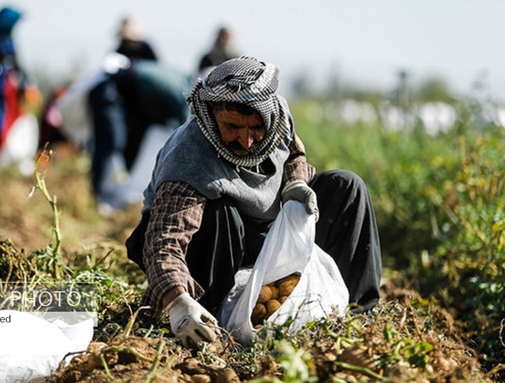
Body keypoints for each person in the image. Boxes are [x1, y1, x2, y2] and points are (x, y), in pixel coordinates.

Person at [126, 56, 382, 346]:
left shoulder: (276, 115)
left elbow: (294, 154)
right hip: (209, 237)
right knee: (222, 211)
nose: (246, 140)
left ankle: (357, 316)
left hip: (262, 227)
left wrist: (295, 184)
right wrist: (177, 302)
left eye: (255, 129)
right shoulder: (188, 160)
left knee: (347, 186)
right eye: (233, 127)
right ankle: (210, 320)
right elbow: (164, 244)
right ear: (211, 113)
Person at [86, 55, 193, 213]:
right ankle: (96, 197)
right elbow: (186, 135)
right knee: (112, 141)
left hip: (130, 98)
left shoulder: (183, 81)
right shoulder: (184, 98)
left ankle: (120, 191)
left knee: (133, 143)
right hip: (109, 88)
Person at [0, 6, 40, 164]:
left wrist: (28, 82)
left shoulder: (9, 39)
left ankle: (8, 157)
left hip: (10, 88)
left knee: (15, 120)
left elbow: (17, 63)